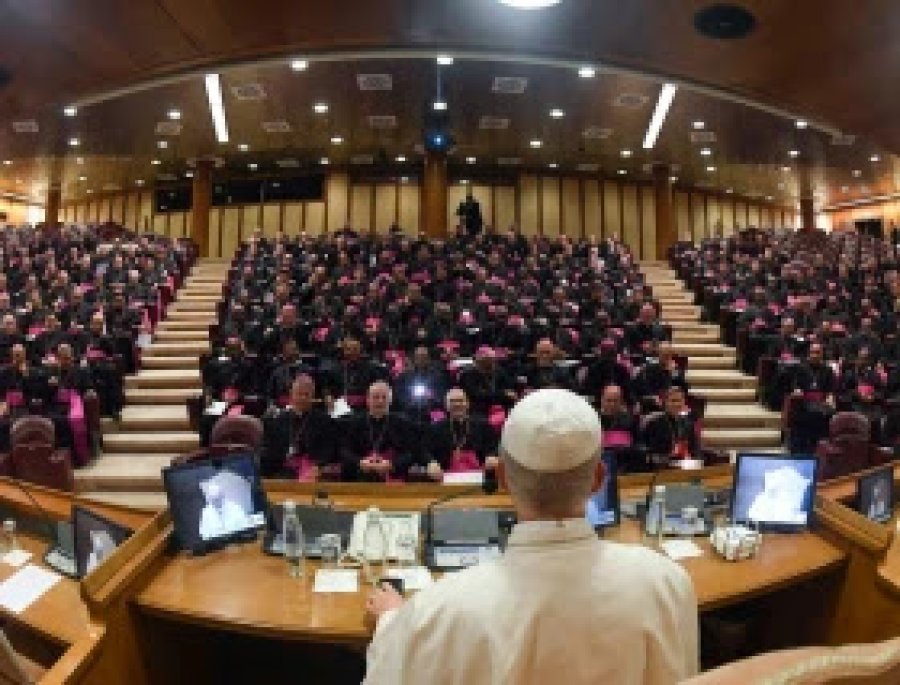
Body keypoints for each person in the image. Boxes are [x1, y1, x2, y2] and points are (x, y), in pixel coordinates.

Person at [363, 389, 698, 684]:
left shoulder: (434, 612)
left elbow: (391, 670)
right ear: (599, 479)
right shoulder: (669, 582)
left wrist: (392, 619)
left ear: (503, 478)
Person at [260, 375, 337, 480]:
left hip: (312, 472)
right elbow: (271, 451)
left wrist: (318, 466)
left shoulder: (325, 421)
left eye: (306, 394)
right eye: (299, 394)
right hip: (282, 471)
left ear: (313, 396)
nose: (303, 398)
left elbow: (328, 451)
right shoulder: (279, 420)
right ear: (291, 394)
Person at [422, 388, 499, 480]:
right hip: (444, 477)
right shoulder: (436, 428)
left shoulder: (483, 425)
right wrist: (431, 462)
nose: (457, 404)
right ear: (446, 405)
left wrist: (492, 456)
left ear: (467, 403)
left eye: (460, 400)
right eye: (452, 401)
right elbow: (425, 450)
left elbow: (495, 446)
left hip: (480, 476)